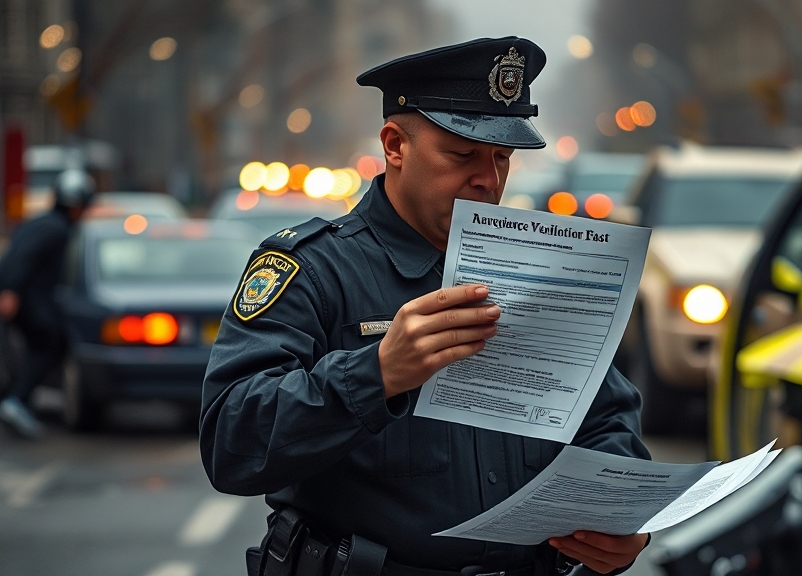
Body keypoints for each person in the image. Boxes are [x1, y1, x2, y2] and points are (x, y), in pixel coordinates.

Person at [200, 37, 652, 576]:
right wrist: (377, 373)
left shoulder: (544, 271)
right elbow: (232, 443)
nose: (489, 178)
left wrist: (621, 520)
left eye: (502, 158)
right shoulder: (315, 270)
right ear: (395, 145)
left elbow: (605, 419)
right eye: (462, 155)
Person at [0, 168, 95, 438]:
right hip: (31, 301)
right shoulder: (57, 229)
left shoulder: (41, 222)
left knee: (32, 350)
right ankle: (17, 401)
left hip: (27, 299)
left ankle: (20, 402)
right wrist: (11, 291)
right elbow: (23, 257)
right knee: (46, 348)